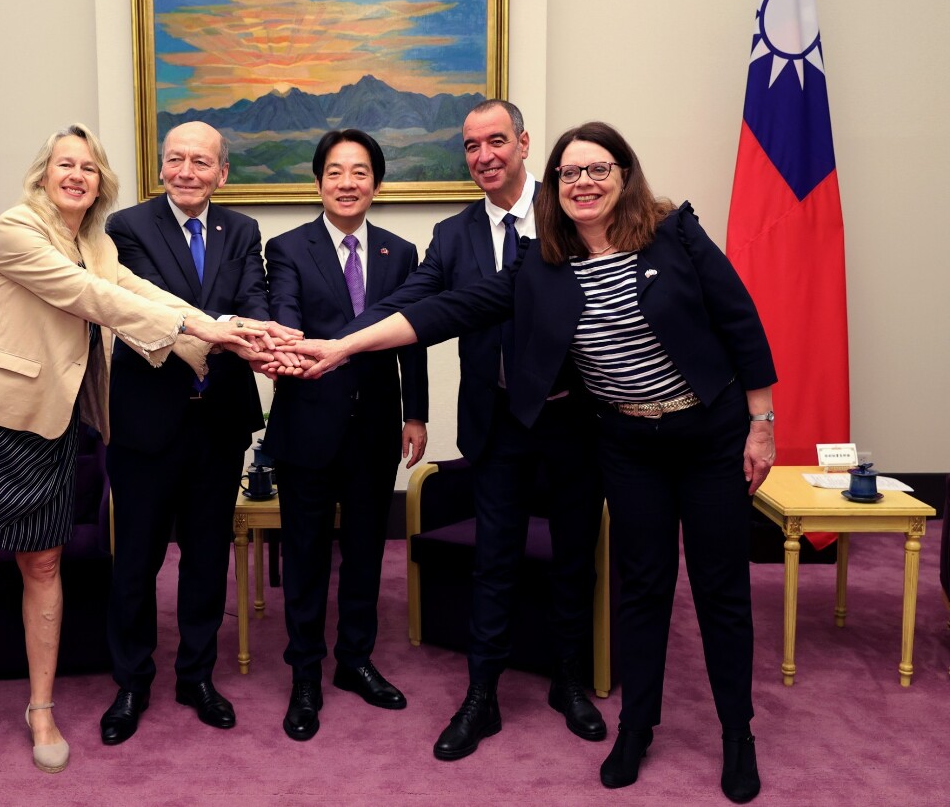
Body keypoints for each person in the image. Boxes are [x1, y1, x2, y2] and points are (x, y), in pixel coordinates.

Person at [284, 121, 775, 803]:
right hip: (621, 441)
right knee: (642, 586)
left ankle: (736, 734)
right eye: (571, 173)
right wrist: (340, 346)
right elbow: (444, 309)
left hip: (703, 434)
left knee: (719, 588)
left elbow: (740, 320)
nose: (583, 183)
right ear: (557, 185)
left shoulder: (673, 232)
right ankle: (636, 727)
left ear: (624, 174)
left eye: (597, 170)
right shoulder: (544, 261)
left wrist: (761, 423)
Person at [0, 123, 278, 783]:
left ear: (100, 180)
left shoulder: (94, 242)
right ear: (43, 174)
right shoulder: (17, 228)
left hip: (53, 422)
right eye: (65, 164)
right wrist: (207, 328)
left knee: (44, 566)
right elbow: (97, 299)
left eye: (88, 167)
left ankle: (41, 711)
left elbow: (142, 293)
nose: (76, 175)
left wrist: (229, 332)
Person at [328, 100, 607, 758]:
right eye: (472, 146)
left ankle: (570, 680)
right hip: (496, 422)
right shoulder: (453, 236)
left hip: (572, 418)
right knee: (494, 561)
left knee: (574, 558)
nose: (484, 156)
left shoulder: (568, 211)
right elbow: (414, 300)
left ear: (524, 144)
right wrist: (338, 340)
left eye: (496, 141)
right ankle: (482, 695)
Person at [99, 121, 293, 744]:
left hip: (219, 420)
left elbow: (255, 298)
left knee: (208, 556)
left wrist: (256, 328)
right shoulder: (127, 227)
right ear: (161, 167)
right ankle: (132, 682)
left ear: (222, 173)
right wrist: (224, 327)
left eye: (201, 162)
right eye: (176, 159)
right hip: (146, 420)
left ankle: (196, 675)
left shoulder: (242, 230)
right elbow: (142, 309)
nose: (187, 171)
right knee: (137, 559)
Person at [262, 129, 428, 742]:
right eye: (335, 172)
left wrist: (416, 413)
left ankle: (355, 660)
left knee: (365, 551)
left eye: (360, 172)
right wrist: (292, 349)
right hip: (308, 421)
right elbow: (285, 315)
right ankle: (305, 673)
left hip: (376, 426)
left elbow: (413, 333)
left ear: (376, 184)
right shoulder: (287, 248)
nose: (347, 183)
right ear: (318, 183)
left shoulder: (400, 252)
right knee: (305, 555)